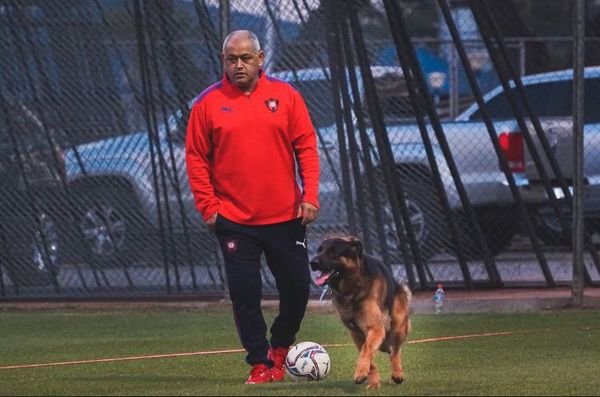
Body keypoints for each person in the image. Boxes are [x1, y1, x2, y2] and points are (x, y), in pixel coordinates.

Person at [185, 30, 320, 384]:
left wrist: (310, 195)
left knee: (298, 287)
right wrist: (209, 208)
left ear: (261, 59)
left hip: (286, 216)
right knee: (246, 294)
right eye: (232, 59)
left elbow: (306, 145)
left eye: (246, 58)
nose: (239, 65)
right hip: (234, 220)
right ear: (223, 61)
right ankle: (261, 363)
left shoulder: (286, 96)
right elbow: (196, 158)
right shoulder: (206, 104)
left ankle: (280, 349)